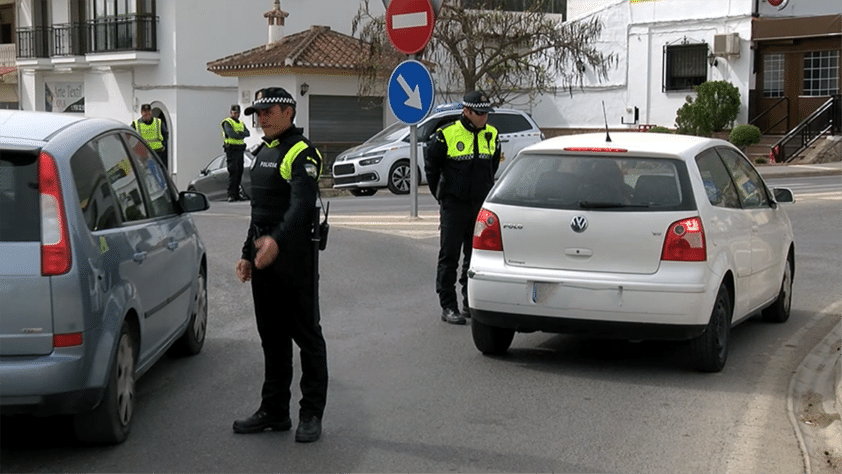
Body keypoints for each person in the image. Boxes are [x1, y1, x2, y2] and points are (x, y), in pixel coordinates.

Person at [233, 87, 328, 443]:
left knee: (307, 337)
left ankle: (311, 414)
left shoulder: (303, 153)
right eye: (257, 113)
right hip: (264, 263)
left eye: (268, 111)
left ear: (288, 112)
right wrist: (247, 253)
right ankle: (274, 410)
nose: (261, 118)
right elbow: (258, 214)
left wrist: (277, 241)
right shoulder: (262, 152)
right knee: (272, 340)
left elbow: (302, 206)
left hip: (296, 261)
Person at [425, 91, 502, 325]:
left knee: (474, 257)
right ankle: (448, 305)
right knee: (449, 255)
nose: (484, 117)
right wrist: (443, 197)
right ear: (466, 111)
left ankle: (469, 301)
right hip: (454, 205)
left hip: (480, 205)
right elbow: (432, 169)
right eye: (479, 113)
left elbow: (493, 165)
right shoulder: (446, 135)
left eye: (486, 113)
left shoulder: (492, 134)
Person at [221, 104, 251, 201]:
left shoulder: (241, 123)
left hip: (239, 150)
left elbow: (248, 133)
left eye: (238, 113)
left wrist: (239, 134)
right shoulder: (227, 122)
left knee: (239, 172)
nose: (236, 114)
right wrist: (241, 135)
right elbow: (231, 134)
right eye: (234, 113)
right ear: (230, 113)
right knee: (233, 172)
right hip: (231, 150)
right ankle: (231, 195)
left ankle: (237, 194)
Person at [132, 103, 169, 168]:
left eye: (148, 111)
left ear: (151, 112)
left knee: (158, 172)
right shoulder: (136, 124)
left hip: (157, 153)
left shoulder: (158, 122)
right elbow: (130, 136)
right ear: (141, 112)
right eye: (144, 111)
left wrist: (163, 145)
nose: (147, 113)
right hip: (144, 154)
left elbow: (165, 134)